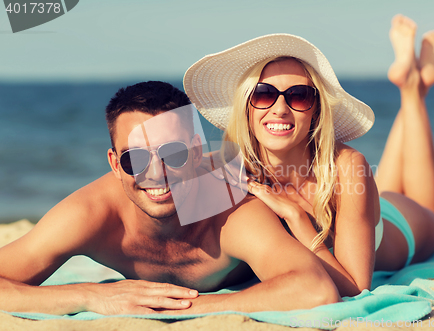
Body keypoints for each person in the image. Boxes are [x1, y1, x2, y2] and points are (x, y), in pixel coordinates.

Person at [0, 81, 338, 315]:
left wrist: (178, 310)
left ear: (197, 153)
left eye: (173, 155)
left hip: (334, 225)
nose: (155, 173)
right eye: (135, 159)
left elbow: (316, 289)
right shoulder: (91, 213)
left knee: (390, 212)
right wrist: (89, 295)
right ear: (115, 164)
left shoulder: (232, 209)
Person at [184, 15, 434, 297]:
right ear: (246, 107)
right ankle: (413, 84)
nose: (280, 108)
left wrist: (297, 217)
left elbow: (356, 289)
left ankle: (413, 91)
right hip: (359, 207)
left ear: (316, 111)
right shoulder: (229, 166)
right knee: (380, 185)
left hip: (400, 227)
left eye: (298, 96)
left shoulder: (348, 167)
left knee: (432, 216)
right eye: (264, 94)